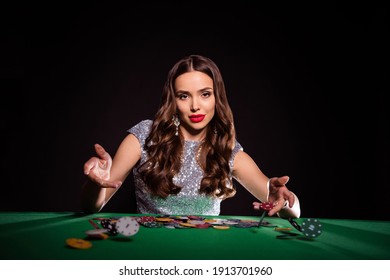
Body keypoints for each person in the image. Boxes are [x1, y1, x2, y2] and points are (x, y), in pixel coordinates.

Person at [81, 54, 301, 219]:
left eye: (205, 94)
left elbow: (293, 211)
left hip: (206, 254)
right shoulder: (143, 136)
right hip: (150, 252)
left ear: (217, 98)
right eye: (184, 96)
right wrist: (95, 183)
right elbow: (93, 206)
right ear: (173, 101)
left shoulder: (227, 149)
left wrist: (285, 203)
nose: (196, 106)